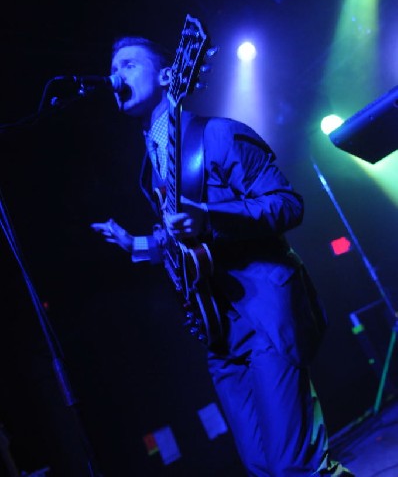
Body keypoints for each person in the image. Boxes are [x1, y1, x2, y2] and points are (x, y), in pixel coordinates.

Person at [91, 28, 354, 476]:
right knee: (262, 467)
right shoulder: (152, 169)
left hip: (262, 307)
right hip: (218, 329)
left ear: (169, 74)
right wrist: (138, 244)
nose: (115, 75)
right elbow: (185, 241)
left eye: (129, 64)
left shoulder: (218, 135)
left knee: (296, 466)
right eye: (113, 68)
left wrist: (211, 216)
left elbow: (287, 204)